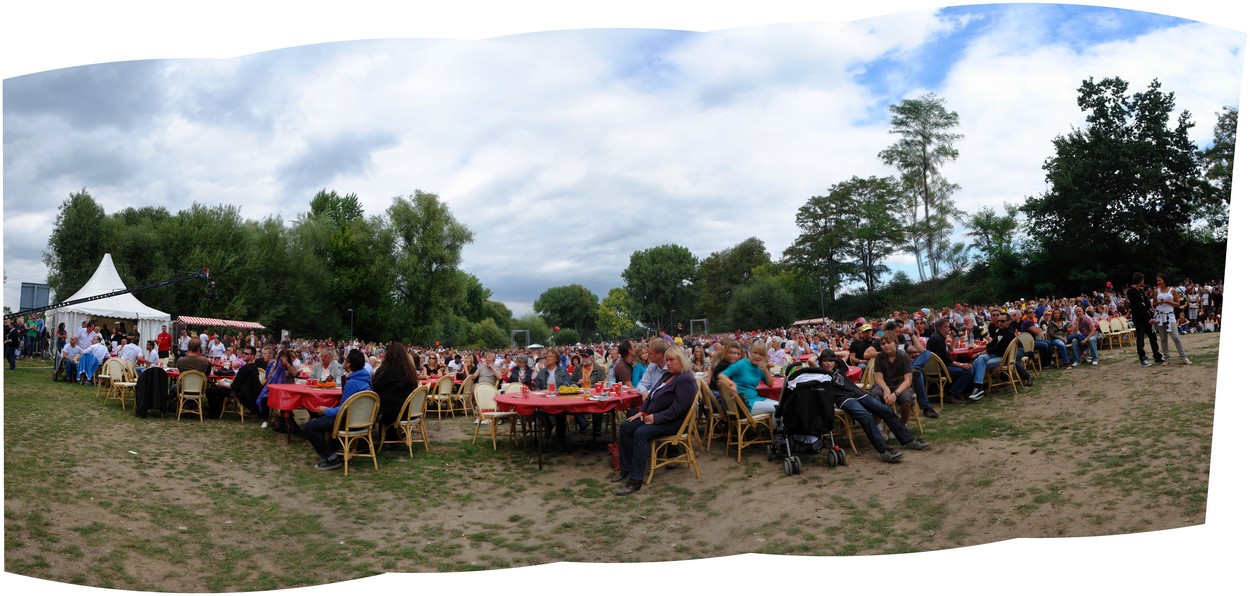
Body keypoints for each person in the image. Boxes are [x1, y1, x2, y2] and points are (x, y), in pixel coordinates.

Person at [814, 349, 929, 462]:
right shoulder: (820, 373)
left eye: (831, 360)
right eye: (825, 361)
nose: (828, 363)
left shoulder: (839, 367)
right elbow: (810, 361)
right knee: (865, 417)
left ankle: (908, 440)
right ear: (820, 362)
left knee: (884, 410)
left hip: (858, 394)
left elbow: (846, 353)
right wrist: (818, 355)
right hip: (844, 400)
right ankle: (885, 451)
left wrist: (832, 355)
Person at [612, 345, 697, 495]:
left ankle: (635, 480)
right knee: (626, 427)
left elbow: (678, 409)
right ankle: (626, 469)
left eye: (672, 360)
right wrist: (642, 412)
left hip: (674, 422)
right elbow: (651, 396)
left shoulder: (685, 379)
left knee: (641, 433)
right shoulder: (668, 375)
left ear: (682, 360)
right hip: (657, 416)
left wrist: (656, 418)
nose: (668, 363)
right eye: (667, 360)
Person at [304, 349, 373, 471]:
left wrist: (326, 410)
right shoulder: (366, 379)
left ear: (349, 364)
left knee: (310, 427)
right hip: (363, 419)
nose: (344, 362)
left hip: (348, 420)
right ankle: (335, 450)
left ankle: (331, 458)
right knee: (323, 420)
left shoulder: (352, 383)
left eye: (346, 360)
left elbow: (342, 410)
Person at [870, 331, 917, 425]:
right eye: (883, 344)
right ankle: (878, 425)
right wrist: (886, 389)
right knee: (874, 396)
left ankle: (902, 424)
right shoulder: (879, 357)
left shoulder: (904, 356)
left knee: (907, 399)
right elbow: (879, 378)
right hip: (884, 384)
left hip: (900, 385)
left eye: (889, 343)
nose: (886, 345)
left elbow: (908, 380)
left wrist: (895, 393)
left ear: (895, 343)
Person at [718, 338, 775, 415]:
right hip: (744, 404)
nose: (757, 356)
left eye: (761, 354)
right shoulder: (741, 364)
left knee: (781, 406)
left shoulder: (759, 367)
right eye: (755, 353)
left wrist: (766, 370)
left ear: (764, 356)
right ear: (750, 352)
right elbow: (721, 375)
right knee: (777, 407)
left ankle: (776, 427)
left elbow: (770, 384)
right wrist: (731, 383)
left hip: (755, 399)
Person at [372, 341, 419, 427]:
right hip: (408, 410)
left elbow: (375, 387)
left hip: (388, 412)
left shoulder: (384, 371)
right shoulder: (409, 371)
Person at [1126, 272, 1164, 366]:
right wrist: (1143, 306)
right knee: (1141, 338)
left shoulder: (1141, 291)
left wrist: (1145, 307)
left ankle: (1157, 356)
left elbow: (1146, 304)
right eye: (1142, 280)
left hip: (1147, 318)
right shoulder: (1131, 292)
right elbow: (1138, 306)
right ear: (1139, 280)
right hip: (1138, 318)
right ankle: (1143, 358)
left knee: (1152, 337)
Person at [1153, 273, 1191, 365]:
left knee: (1176, 337)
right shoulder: (1156, 291)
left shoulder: (1172, 290)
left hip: (1170, 315)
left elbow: (1178, 304)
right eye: (1157, 280)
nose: (1158, 282)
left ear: (1164, 280)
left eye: (1159, 280)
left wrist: (1168, 302)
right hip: (1160, 316)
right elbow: (1154, 305)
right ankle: (1166, 358)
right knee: (1163, 338)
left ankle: (1184, 357)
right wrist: (1158, 302)